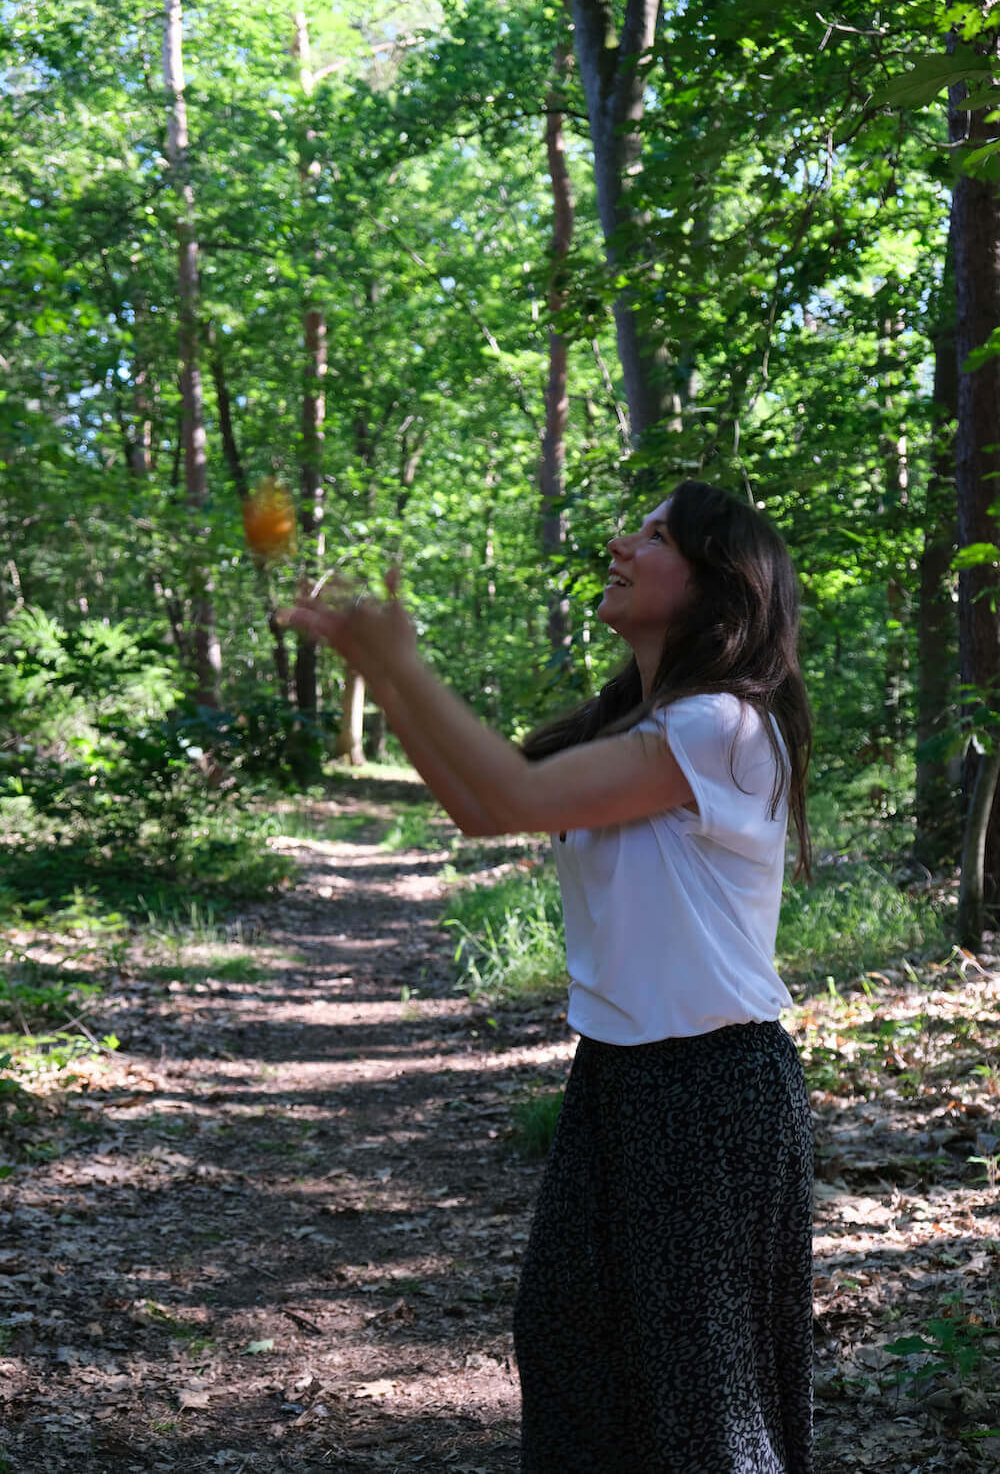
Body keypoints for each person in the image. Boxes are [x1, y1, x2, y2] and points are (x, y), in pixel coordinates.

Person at [278, 477, 814, 1474]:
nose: (621, 542)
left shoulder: (721, 727)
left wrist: (404, 660)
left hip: (710, 1087)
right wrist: (383, 678)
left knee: (698, 1397)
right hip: (621, 1076)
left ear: (716, 584)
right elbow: (482, 806)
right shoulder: (644, 728)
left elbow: (509, 793)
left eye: (653, 536)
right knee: (568, 1340)